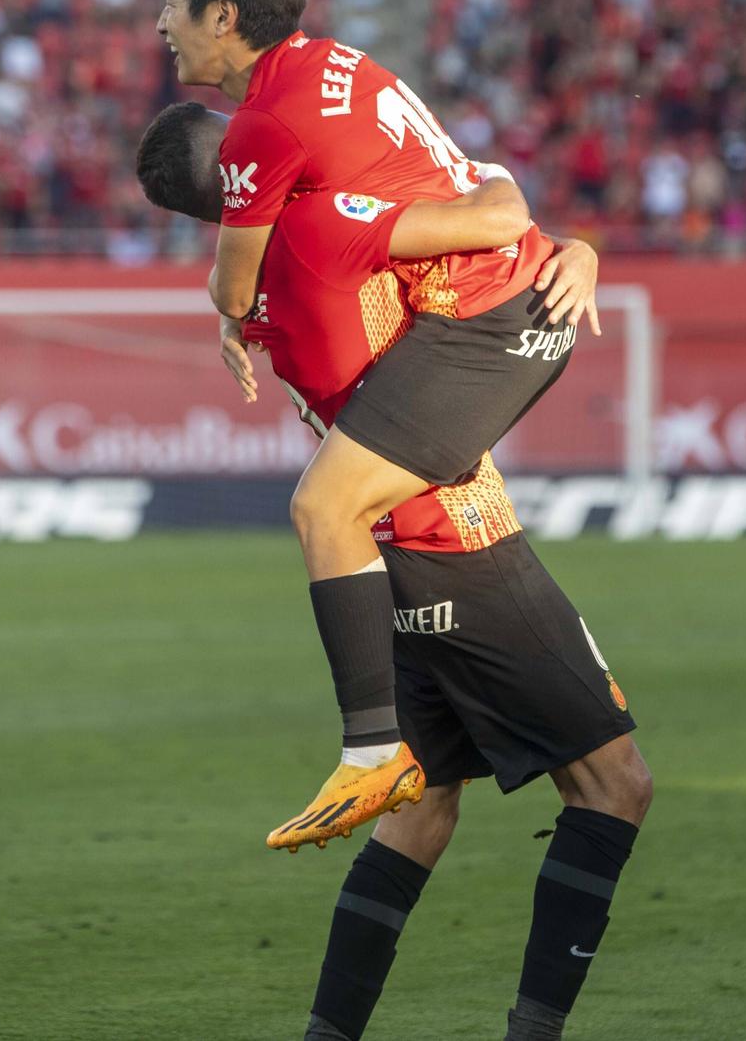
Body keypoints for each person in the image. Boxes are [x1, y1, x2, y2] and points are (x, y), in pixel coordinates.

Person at [135, 103, 652, 1041]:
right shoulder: (326, 224)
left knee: (421, 808)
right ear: (241, 168)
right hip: (456, 533)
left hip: (382, 561)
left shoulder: (245, 289)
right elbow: (495, 214)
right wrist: (573, 248)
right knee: (615, 784)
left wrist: (567, 249)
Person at [135, 0, 583, 851]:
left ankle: (371, 747)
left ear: (223, 16)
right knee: (577, 788)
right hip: (509, 295)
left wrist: (223, 308)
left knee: (321, 507)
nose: (159, 20)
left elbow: (235, 280)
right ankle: (383, 759)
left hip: (485, 326)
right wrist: (564, 244)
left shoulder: (270, 153)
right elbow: (481, 184)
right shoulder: (338, 65)